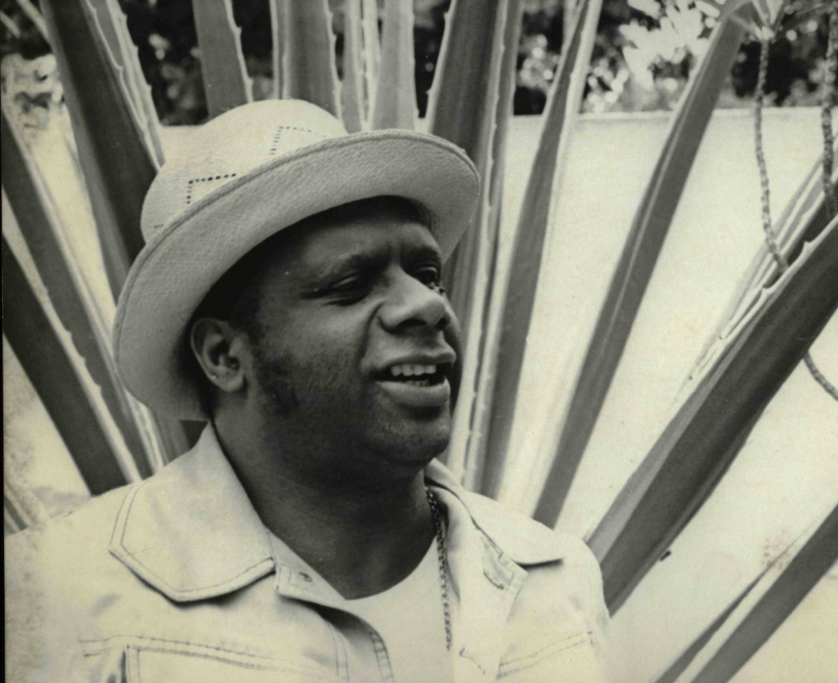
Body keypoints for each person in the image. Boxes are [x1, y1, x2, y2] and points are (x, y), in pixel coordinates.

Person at [5, 100, 610, 682]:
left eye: (427, 275)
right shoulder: (62, 600)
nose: (427, 305)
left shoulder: (555, 581)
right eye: (351, 284)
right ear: (223, 356)